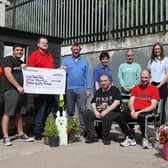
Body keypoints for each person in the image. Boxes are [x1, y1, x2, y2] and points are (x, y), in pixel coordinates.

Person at [84, 74, 136, 145]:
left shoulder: (115, 90)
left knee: (107, 115)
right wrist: (95, 111)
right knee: (87, 114)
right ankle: (93, 136)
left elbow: (117, 102)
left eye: (105, 81)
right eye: (101, 81)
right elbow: (93, 102)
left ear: (109, 81)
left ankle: (106, 137)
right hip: (100, 112)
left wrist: (106, 111)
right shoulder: (99, 91)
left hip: (115, 112)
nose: (103, 83)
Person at [1, 44, 34, 146]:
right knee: (8, 113)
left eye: (21, 50)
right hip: (11, 90)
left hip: (21, 91)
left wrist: (25, 67)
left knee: (19, 113)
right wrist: (18, 86)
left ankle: (20, 133)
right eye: (18, 50)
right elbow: (8, 73)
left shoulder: (21, 63)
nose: (20, 52)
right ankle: (6, 137)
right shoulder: (8, 59)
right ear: (13, 51)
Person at [120, 69, 160, 148]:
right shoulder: (136, 88)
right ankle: (130, 137)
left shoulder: (154, 89)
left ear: (150, 77)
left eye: (146, 77)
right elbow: (131, 101)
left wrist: (139, 112)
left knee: (142, 116)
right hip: (135, 111)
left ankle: (145, 138)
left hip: (148, 112)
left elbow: (153, 106)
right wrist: (132, 111)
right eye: (142, 77)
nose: (144, 79)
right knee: (121, 115)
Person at [28, 36, 57, 140]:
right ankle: (37, 132)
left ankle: (47, 130)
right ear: (38, 44)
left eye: (46, 43)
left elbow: (52, 72)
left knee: (50, 110)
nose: (45, 44)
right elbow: (31, 73)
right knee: (40, 111)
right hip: (39, 90)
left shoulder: (50, 55)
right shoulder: (33, 55)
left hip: (49, 89)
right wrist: (34, 91)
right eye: (43, 43)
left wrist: (60, 70)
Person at [61, 42, 92, 131]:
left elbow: (88, 76)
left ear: (80, 50)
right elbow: (60, 73)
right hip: (68, 89)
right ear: (71, 50)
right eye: (74, 50)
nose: (75, 51)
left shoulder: (84, 61)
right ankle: (71, 129)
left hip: (81, 89)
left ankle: (83, 129)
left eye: (77, 50)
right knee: (70, 111)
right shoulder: (66, 60)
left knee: (82, 110)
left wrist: (88, 88)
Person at [147, 42, 168, 124]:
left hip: (162, 85)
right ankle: (154, 126)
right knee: (153, 107)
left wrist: (159, 86)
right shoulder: (151, 61)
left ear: (161, 49)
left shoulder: (166, 59)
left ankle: (162, 128)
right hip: (152, 86)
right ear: (153, 50)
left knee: (161, 108)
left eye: (158, 49)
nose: (157, 50)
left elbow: (167, 75)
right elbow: (149, 74)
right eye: (155, 49)